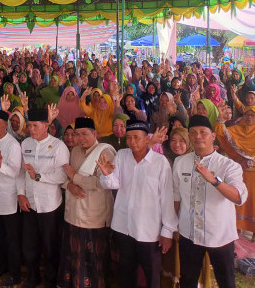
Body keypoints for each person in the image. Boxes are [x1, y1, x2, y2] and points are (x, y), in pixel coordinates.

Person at [98, 121, 178, 288]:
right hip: (123, 226)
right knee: (126, 271)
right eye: (129, 138)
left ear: (146, 138)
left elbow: (166, 197)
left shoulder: (160, 162)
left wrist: (168, 230)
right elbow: (112, 184)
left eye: (136, 137)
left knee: (152, 274)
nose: (132, 142)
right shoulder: (122, 155)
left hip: (148, 230)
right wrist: (106, 175)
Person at [174, 115, 248, 288]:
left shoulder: (229, 165)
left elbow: (239, 197)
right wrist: (173, 226)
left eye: (203, 132)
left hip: (220, 236)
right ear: (189, 136)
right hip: (188, 234)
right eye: (193, 132)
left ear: (213, 136)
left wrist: (214, 180)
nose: (198, 136)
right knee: (188, 280)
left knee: (226, 282)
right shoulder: (180, 162)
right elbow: (176, 197)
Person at [58, 117, 115, 288]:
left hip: (94, 218)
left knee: (92, 261)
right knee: (73, 257)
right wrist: (70, 185)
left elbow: (101, 183)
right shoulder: (74, 150)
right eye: (77, 134)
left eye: (84, 134)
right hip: (73, 215)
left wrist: (74, 177)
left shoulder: (105, 152)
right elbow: (63, 176)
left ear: (95, 134)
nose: (80, 138)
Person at [18, 107, 69, 288]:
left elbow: (63, 176)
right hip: (30, 203)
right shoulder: (25, 145)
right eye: (30, 125)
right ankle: (32, 277)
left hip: (49, 205)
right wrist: (21, 194)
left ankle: (50, 280)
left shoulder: (58, 146)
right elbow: (21, 173)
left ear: (46, 125)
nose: (31, 129)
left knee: (50, 246)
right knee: (29, 245)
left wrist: (39, 176)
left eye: (35, 126)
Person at [0, 109, 23, 288]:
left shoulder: (13, 145)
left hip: (9, 196)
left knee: (12, 238)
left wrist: (1, 165)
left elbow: (16, 171)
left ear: (5, 124)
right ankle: (1, 266)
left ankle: (15, 274)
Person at [214, 105, 255, 234]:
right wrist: (219, 120)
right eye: (247, 114)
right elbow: (221, 134)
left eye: (253, 115)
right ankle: (236, 229)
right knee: (239, 199)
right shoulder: (236, 130)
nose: (249, 117)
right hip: (241, 174)